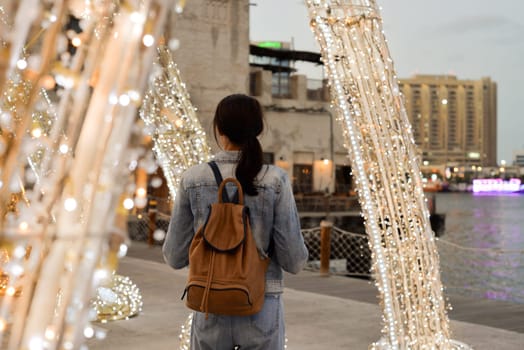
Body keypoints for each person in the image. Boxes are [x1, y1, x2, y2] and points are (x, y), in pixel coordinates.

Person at [163, 93, 308, 350]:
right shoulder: (275, 180)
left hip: (209, 300)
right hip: (261, 302)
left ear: (219, 130)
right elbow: (294, 261)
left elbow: (174, 256)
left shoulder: (192, 179)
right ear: (258, 130)